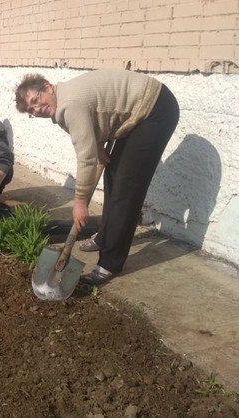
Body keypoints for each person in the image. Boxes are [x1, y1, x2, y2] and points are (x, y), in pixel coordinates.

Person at [15, 69, 179, 285]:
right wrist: (99, 145)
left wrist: (80, 202)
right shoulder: (60, 102)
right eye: (31, 110)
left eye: (36, 100)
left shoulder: (69, 105)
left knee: (126, 188)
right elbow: (95, 119)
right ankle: (106, 237)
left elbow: (86, 158)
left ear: (47, 87)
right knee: (113, 174)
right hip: (136, 112)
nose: (37, 109)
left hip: (154, 109)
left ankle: (110, 263)